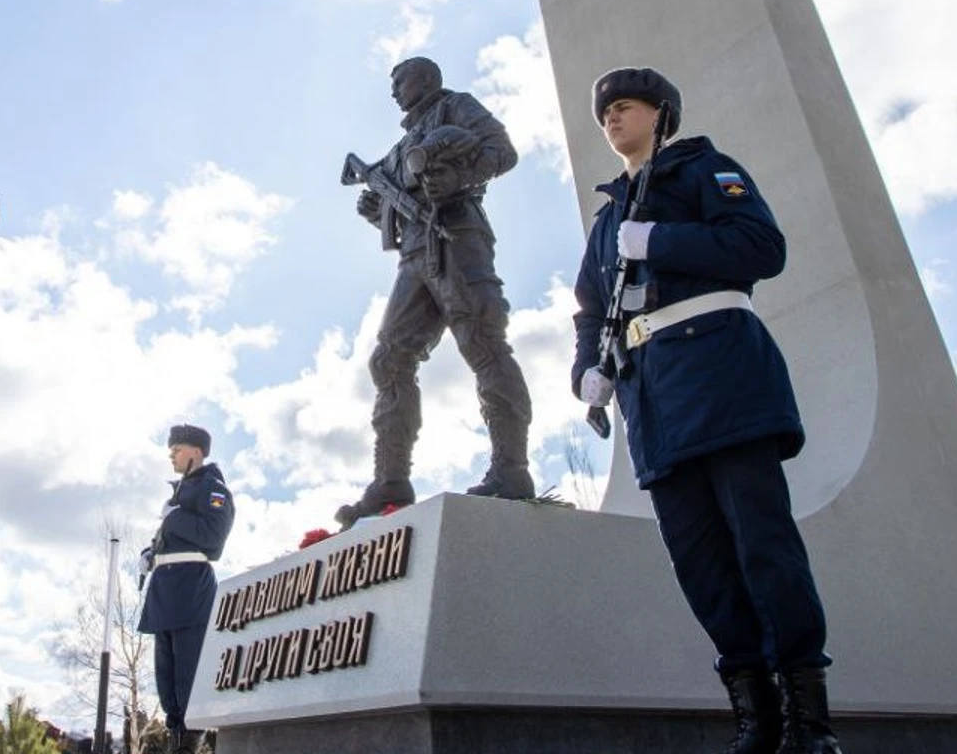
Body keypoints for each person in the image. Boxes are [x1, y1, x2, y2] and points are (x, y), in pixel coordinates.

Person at [571, 67, 841, 754]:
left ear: (662, 114)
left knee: (762, 547)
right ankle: (754, 718)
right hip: (652, 401)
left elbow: (761, 248)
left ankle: (808, 721)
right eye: (604, 113)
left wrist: (660, 240)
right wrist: (588, 369)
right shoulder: (607, 221)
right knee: (701, 565)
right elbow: (591, 309)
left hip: (721, 375)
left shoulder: (705, 171)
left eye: (624, 107)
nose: (611, 120)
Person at [339, 56, 536, 525]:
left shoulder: (457, 107)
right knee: (389, 357)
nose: (393, 92)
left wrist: (459, 178)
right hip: (415, 250)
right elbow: (390, 202)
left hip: (457, 234)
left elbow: (502, 152)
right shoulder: (401, 145)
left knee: (483, 344)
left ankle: (511, 471)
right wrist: (376, 209)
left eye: (399, 81)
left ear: (426, 79)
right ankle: (390, 481)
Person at [136, 424, 233, 754]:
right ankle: (176, 738)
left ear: (195, 451)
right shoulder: (179, 493)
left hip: (190, 588)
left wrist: (174, 519)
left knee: (188, 676)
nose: (171, 456)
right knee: (166, 679)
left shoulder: (212, 487)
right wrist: (151, 553)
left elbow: (213, 538)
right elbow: (171, 534)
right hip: (165, 588)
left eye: (176, 449)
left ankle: (189, 744)